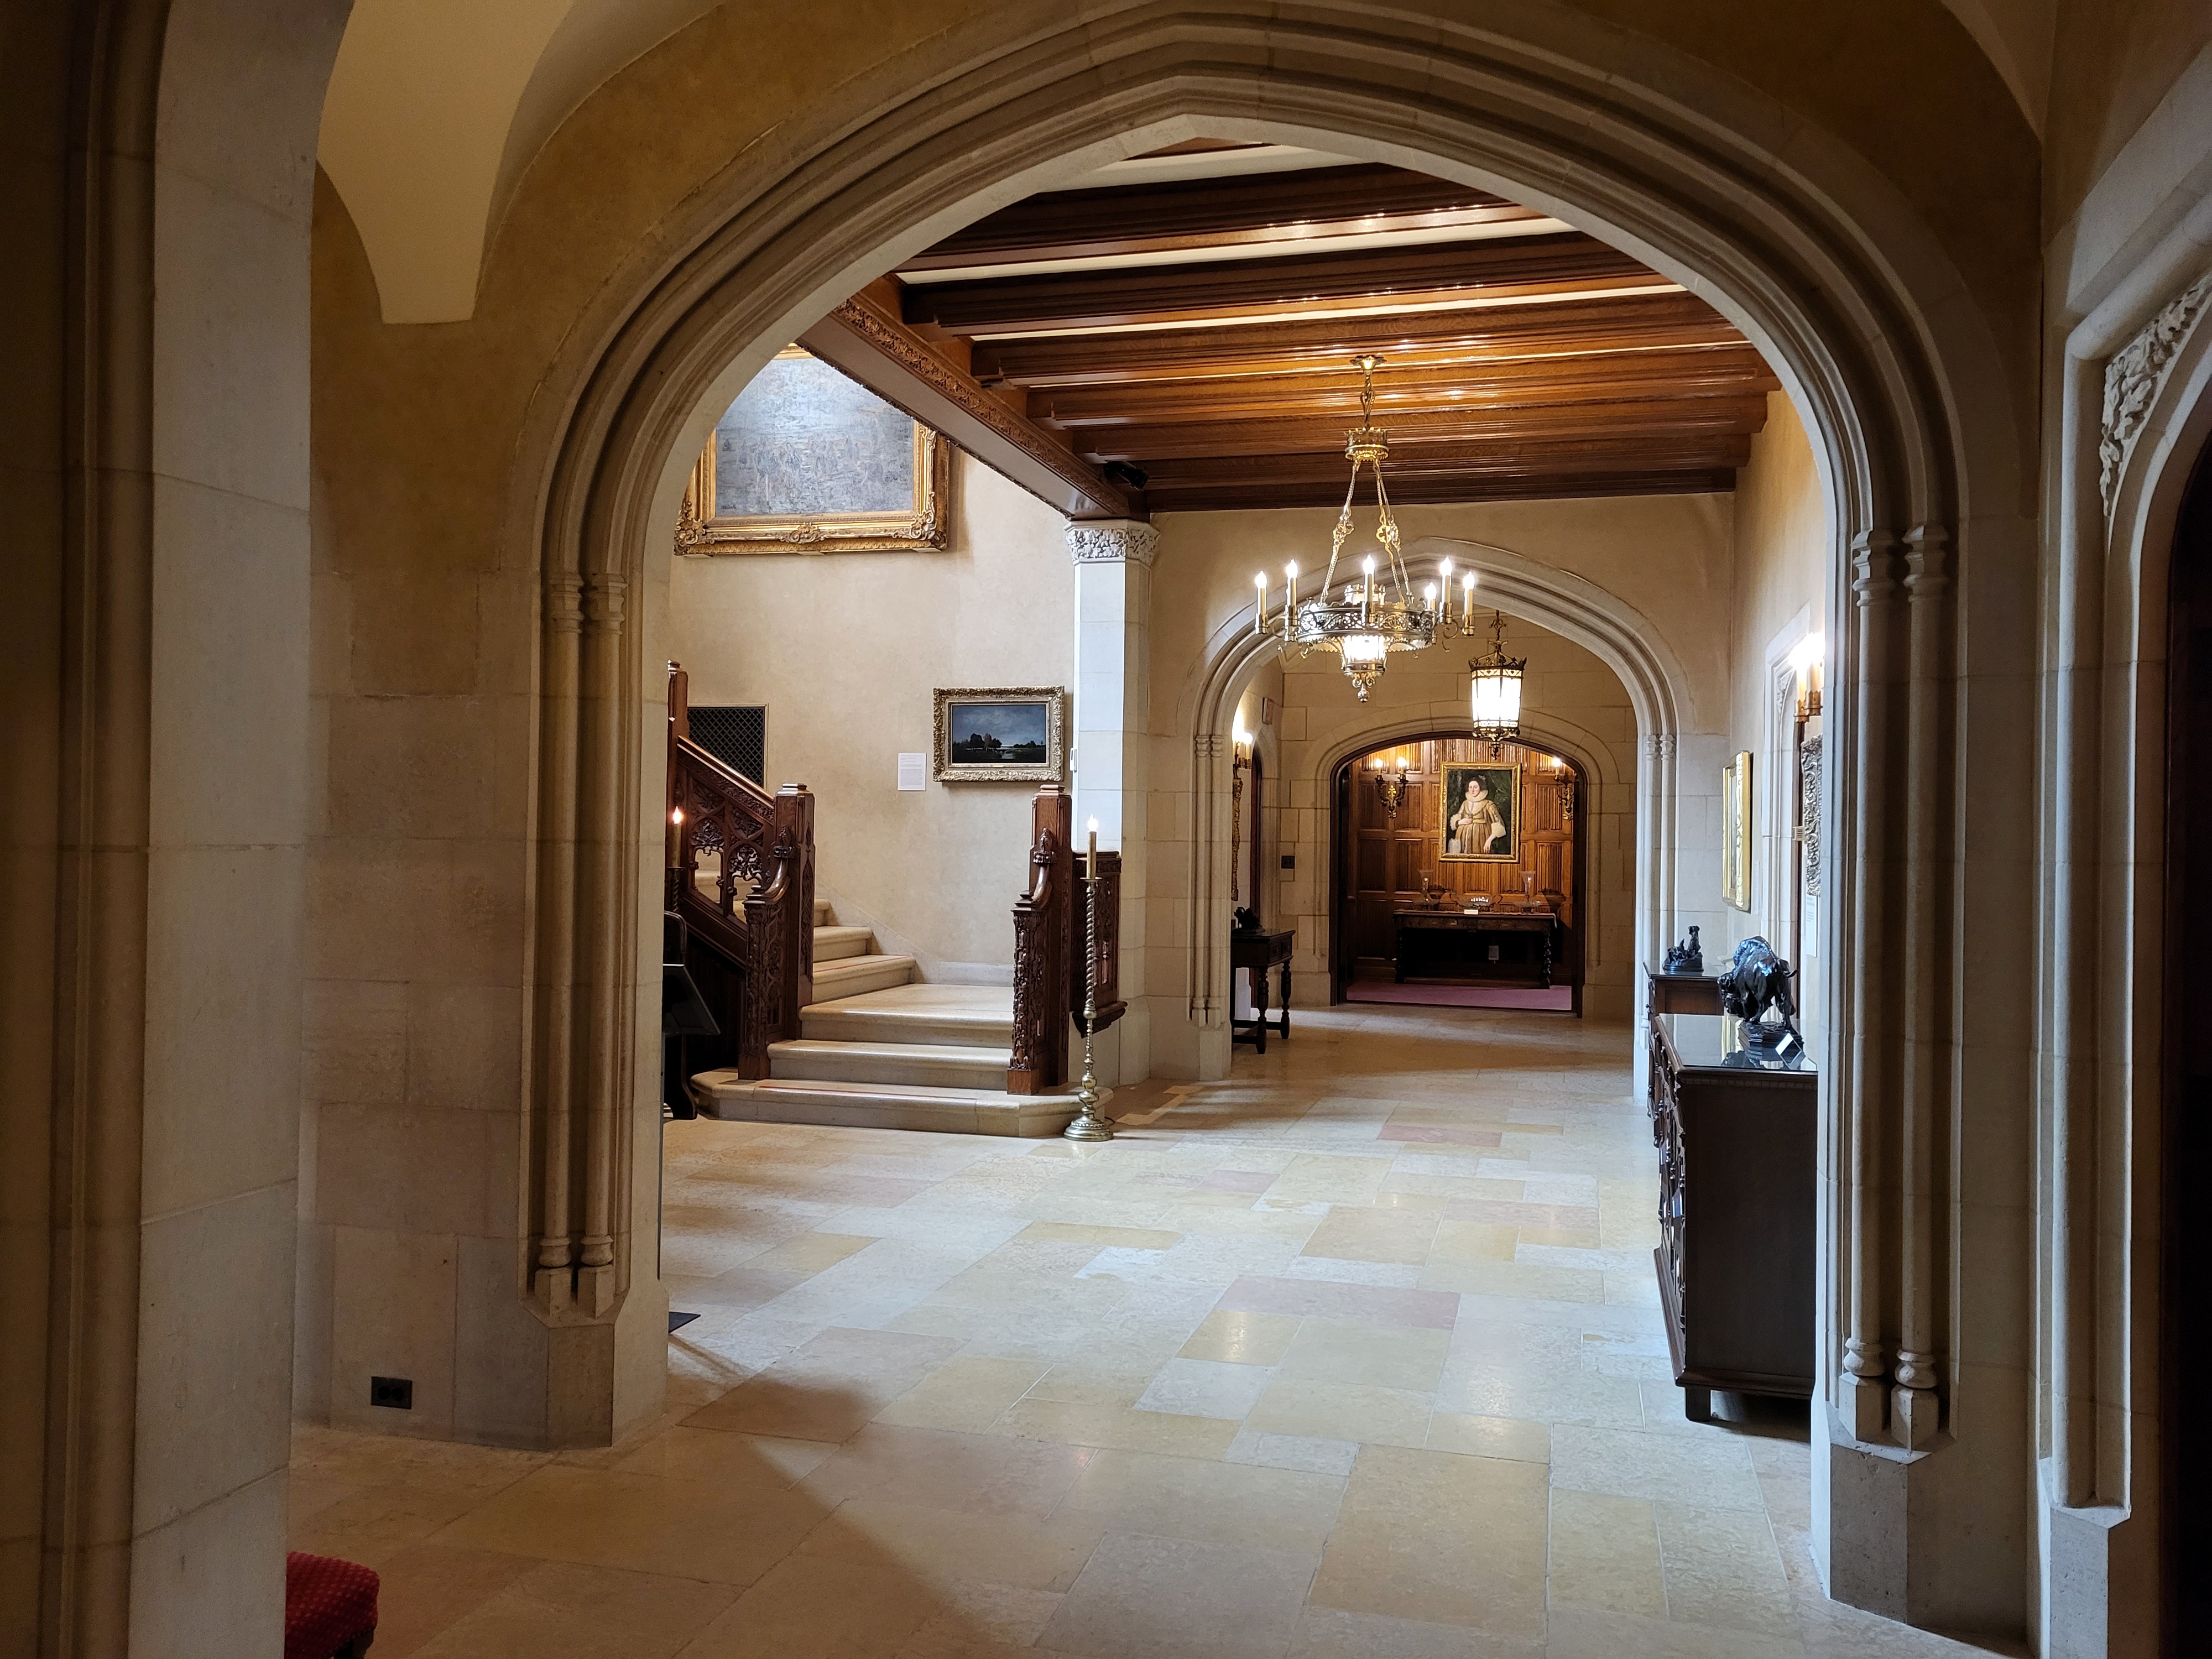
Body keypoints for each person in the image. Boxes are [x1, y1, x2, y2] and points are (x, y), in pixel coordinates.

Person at [1449, 774, 1506, 855]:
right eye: (1470, 787)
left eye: (1475, 787)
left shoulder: (1488, 804)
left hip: (1481, 839)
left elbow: (1499, 824)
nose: (1472, 790)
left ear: (1481, 788)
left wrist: (1489, 841)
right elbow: (1457, 819)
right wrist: (1461, 822)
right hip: (1463, 838)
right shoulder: (1465, 803)